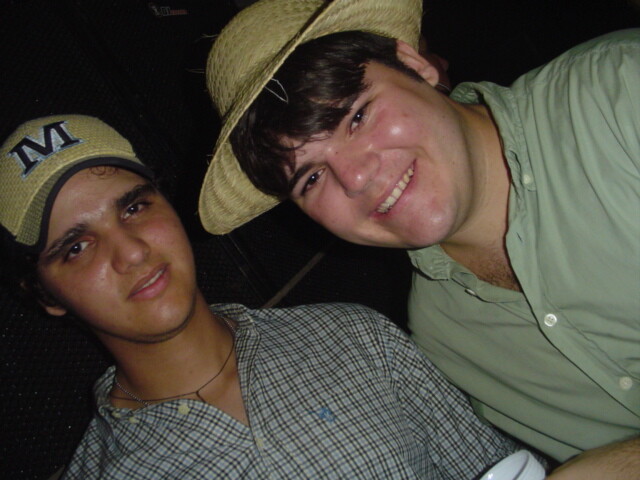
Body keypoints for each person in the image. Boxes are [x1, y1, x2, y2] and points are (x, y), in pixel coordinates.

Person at [197, 0, 640, 477]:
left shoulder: (618, 96)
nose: (355, 178)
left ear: (416, 65)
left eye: (356, 117)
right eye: (311, 178)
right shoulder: (443, 339)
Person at [0, 114, 525, 479]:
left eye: (134, 208)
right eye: (77, 247)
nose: (132, 252)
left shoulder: (353, 338)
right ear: (44, 294)